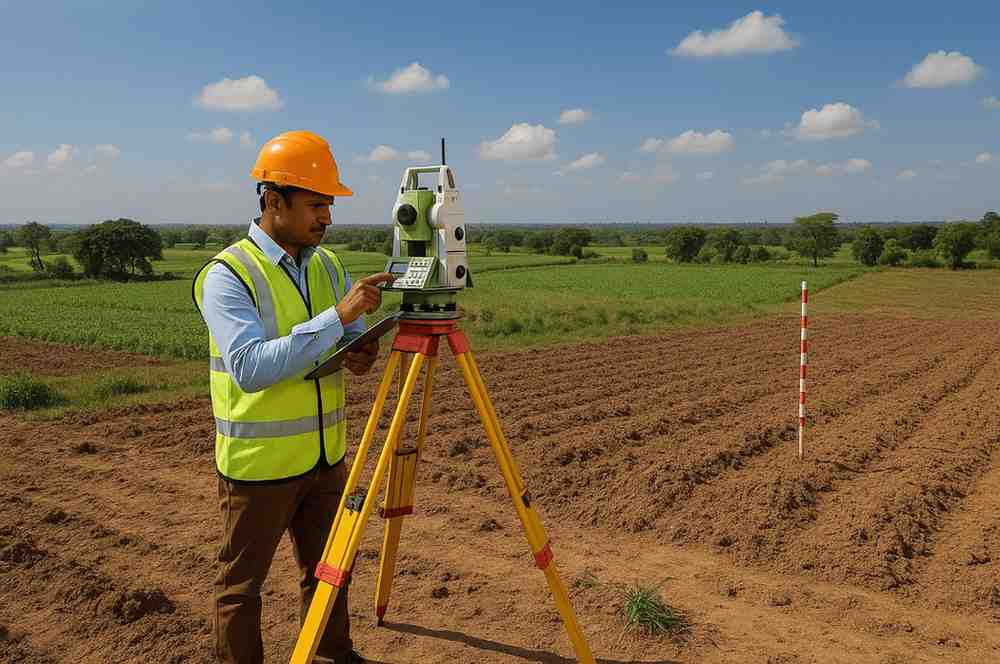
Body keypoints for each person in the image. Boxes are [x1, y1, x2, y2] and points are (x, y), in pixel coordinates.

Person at [193, 130, 395, 664]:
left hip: (326, 456)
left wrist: (360, 350)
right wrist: (339, 317)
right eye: (315, 204)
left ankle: (331, 653)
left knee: (329, 572)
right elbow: (249, 367)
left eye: (329, 205)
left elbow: (345, 339)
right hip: (259, 465)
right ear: (273, 201)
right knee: (241, 587)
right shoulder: (227, 275)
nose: (326, 217)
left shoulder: (327, 265)